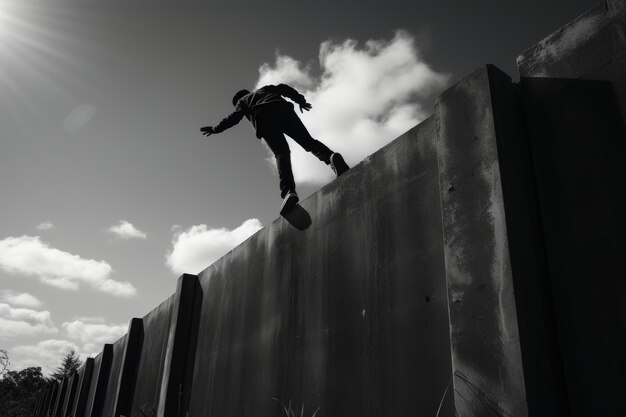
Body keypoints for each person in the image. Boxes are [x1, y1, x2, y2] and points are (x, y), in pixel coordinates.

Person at [201, 84, 350, 215]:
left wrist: (216, 129)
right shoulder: (265, 89)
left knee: (282, 153)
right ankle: (331, 157)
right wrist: (299, 100)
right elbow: (283, 88)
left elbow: (234, 117)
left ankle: (289, 192)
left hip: (264, 117)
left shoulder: (242, 101)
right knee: (308, 142)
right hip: (282, 108)